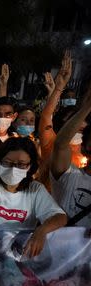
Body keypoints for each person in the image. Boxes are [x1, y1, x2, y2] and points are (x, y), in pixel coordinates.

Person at [0, 100, 66, 256]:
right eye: (8, 163)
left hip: (15, 263)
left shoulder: (35, 190)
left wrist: (42, 230)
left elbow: (60, 217)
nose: (13, 168)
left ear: (30, 167)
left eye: (21, 164)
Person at [49, 88, 91, 227]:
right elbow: (61, 145)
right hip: (56, 247)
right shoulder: (70, 175)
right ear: (85, 147)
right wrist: (87, 108)